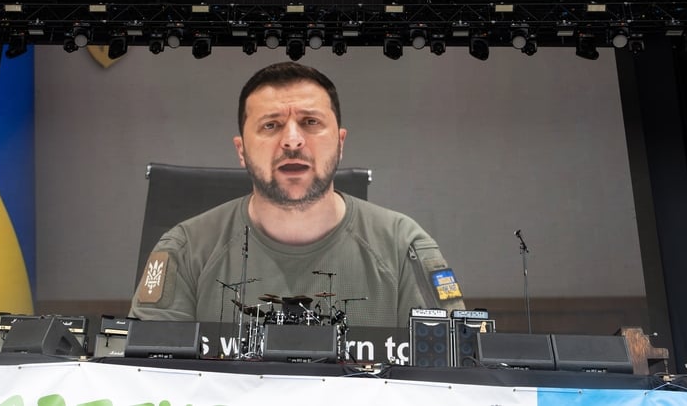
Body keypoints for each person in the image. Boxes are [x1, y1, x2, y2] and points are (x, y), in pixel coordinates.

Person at [129, 61, 464, 329]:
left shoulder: (405, 248)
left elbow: (452, 377)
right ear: (242, 150)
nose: (292, 141)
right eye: (271, 125)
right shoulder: (184, 251)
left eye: (310, 122)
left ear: (341, 143)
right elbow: (150, 380)